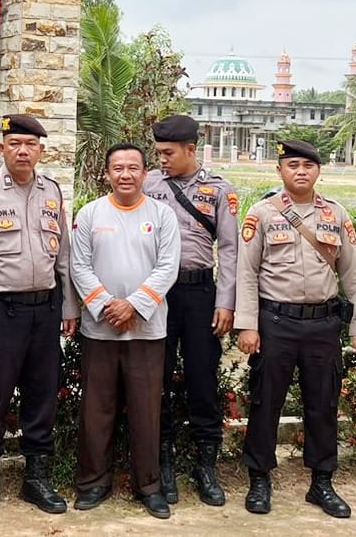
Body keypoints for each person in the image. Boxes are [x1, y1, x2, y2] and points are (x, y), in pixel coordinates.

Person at [235, 140, 356, 518]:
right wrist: (247, 325)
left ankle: (322, 481)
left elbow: (353, 272)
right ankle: (259, 477)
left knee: (323, 404)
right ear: (279, 170)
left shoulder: (335, 214)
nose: (301, 171)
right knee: (266, 402)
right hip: (275, 323)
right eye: (292, 165)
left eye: (308, 165)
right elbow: (246, 273)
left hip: (323, 325)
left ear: (318, 171)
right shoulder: (262, 213)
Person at [0, 114, 79, 518]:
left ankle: (35, 478)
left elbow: (65, 256)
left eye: (30, 144)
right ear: (2, 147)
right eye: (14, 143)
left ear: (41, 150)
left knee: (42, 397)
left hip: (45, 311)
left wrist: (70, 307)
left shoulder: (52, 192)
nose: (22, 150)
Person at [71, 143, 180, 519]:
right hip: (100, 330)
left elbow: (168, 267)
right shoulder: (90, 214)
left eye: (133, 167)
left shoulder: (162, 215)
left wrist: (134, 304)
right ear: (106, 174)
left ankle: (148, 485)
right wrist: (107, 304)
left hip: (147, 330)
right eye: (118, 168)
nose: (126, 174)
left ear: (145, 173)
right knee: (96, 409)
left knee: (146, 409)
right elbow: (78, 266)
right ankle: (92, 481)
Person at [142, 115, 238, 506]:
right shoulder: (149, 184)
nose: (162, 160)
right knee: (157, 381)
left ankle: (206, 465)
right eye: (158, 153)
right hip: (157, 296)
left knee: (202, 380)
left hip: (200, 295)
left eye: (168, 153)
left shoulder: (218, 189)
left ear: (191, 150)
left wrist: (226, 302)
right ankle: (163, 463)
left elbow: (231, 249)